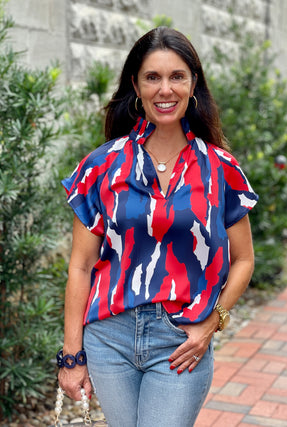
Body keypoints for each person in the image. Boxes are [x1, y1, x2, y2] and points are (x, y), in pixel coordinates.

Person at [58, 26, 258, 427]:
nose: (165, 90)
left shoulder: (221, 169)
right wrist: (71, 357)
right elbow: (81, 266)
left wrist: (209, 324)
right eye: (153, 77)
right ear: (136, 85)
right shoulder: (101, 166)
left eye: (176, 76)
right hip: (108, 337)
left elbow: (244, 260)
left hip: (180, 340)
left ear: (192, 84)